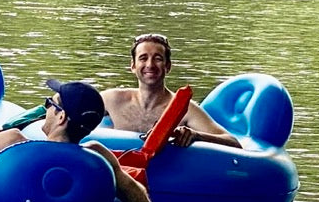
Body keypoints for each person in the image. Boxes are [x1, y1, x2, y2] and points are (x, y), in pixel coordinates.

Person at [0, 79, 152, 202]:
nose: (45, 108)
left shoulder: (12, 142)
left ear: (61, 116)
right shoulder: (98, 155)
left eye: (50, 103)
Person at [101, 33, 241, 148]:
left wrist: (195, 135)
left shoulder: (185, 109)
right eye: (143, 58)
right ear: (133, 66)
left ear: (168, 66)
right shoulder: (112, 100)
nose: (150, 65)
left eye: (158, 59)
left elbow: (233, 143)